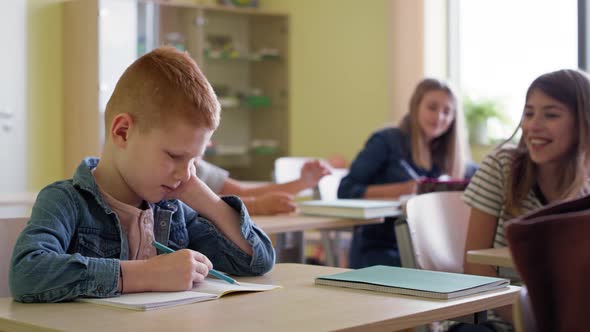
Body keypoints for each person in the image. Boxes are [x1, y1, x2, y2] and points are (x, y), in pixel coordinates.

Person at [9, 47, 275, 303]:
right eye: (174, 156)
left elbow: (257, 260)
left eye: (194, 160)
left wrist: (204, 196)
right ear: (123, 132)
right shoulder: (65, 201)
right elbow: (27, 274)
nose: (185, 173)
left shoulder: (173, 210)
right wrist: (149, 274)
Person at [457, 69, 590, 331]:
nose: (533, 126)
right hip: (495, 318)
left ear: (583, 124)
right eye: (529, 113)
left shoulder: (586, 188)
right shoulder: (502, 166)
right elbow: (474, 268)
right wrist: (533, 322)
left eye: (551, 115)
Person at [338, 78, 476, 269]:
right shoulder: (386, 141)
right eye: (432, 107)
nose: (439, 117)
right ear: (415, 106)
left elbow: (480, 182)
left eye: (447, 111)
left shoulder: (450, 157)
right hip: (380, 248)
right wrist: (403, 189)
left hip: (429, 249)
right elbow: (345, 190)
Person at [196, 159, 331, 215]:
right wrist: (257, 205)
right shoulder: (188, 160)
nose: (209, 143)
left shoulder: (197, 165)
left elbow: (244, 192)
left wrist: (302, 183)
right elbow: (195, 203)